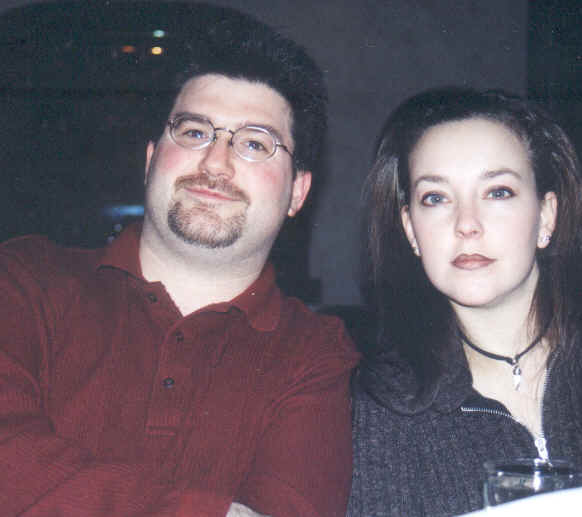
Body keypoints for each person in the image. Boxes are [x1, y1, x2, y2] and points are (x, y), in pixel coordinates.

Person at [0, 8, 360, 517]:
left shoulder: (317, 355)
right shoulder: (23, 280)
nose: (215, 163)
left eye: (254, 144)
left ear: (297, 192)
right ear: (151, 160)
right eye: (194, 133)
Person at [347, 87, 582, 516]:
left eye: (498, 192)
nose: (467, 224)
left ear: (546, 215)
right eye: (436, 198)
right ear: (411, 230)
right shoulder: (384, 409)